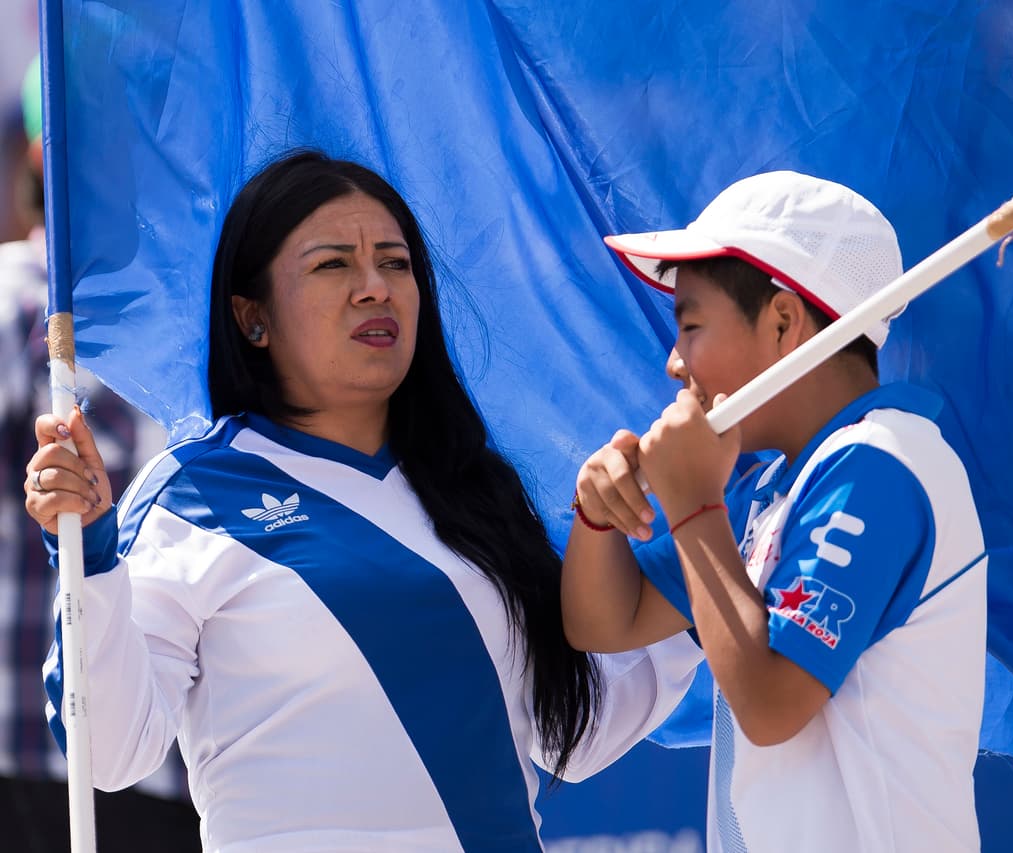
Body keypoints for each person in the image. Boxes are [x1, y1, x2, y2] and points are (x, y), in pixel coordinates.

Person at [23, 150, 701, 851]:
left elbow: (574, 730)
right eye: (333, 264)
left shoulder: (477, 489)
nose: (375, 288)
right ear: (252, 318)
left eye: (396, 263)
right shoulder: (192, 495)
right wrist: (89, 555)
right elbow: (109, 751)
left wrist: (712, 548)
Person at [561, 171, 988, 851]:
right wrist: (596, 513)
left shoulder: (880, 464)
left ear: (785, 323)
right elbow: (603, 623)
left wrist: (695, 505)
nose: (674, 363)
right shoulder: (771, 488)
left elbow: (769, 705)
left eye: (690, 326)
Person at [1, 56, 199, 851]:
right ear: (46, 154)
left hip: (169, 770)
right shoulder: (15, 296)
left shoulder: (195, 321)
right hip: (34, 763)